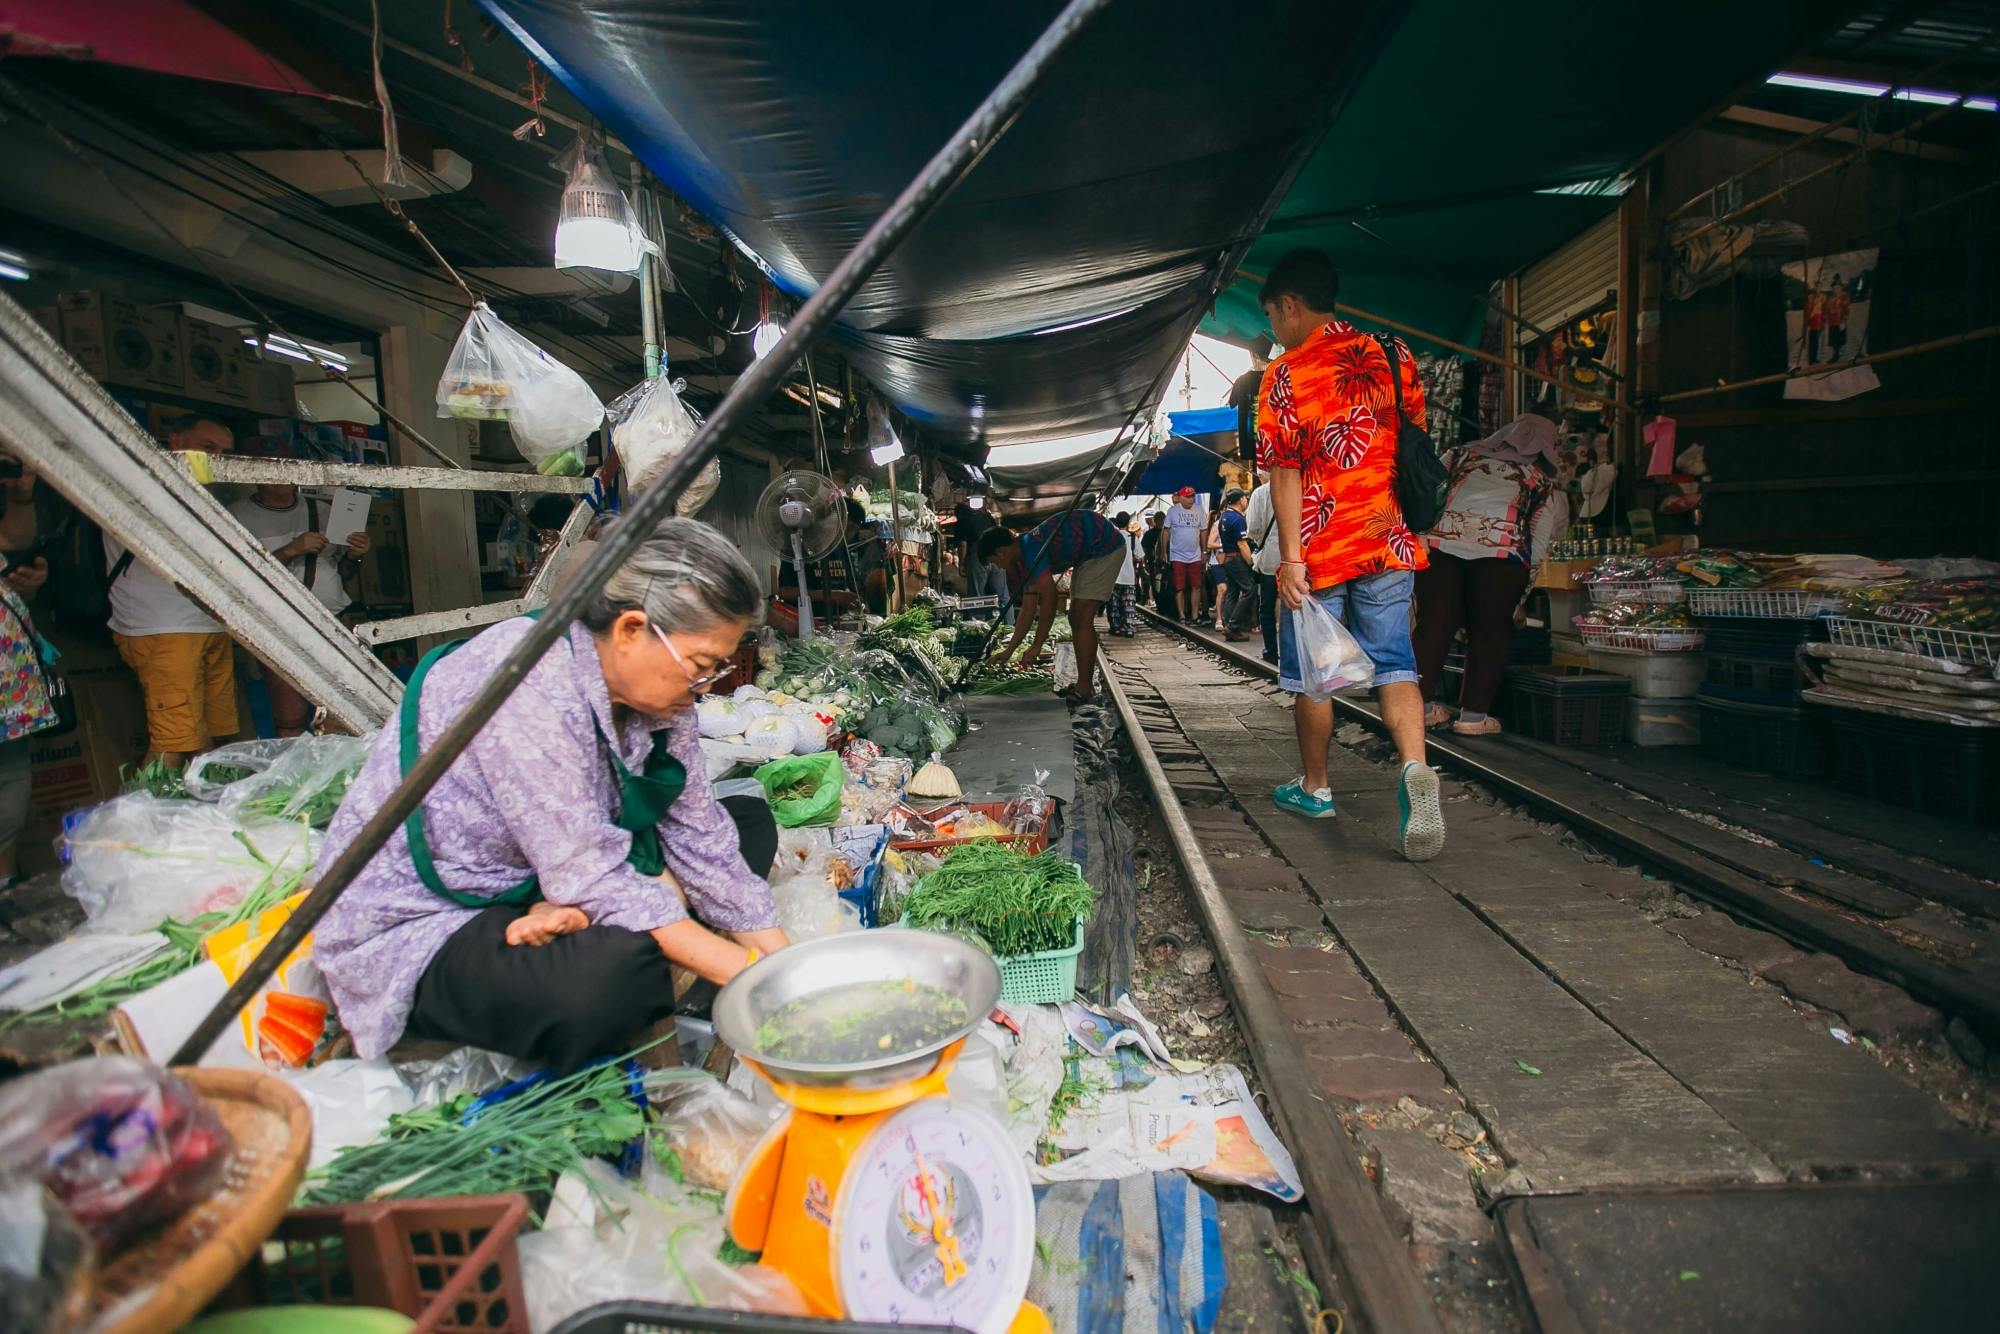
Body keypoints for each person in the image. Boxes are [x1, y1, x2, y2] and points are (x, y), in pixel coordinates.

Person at [314, 517, 790, 1072]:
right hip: (434, 916)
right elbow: (591, 872)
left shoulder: (663, 695)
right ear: (632, 630)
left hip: (545, 875)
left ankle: (591, 916)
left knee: (748, 821)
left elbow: (699, 832)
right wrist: (747, 976)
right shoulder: (526, 679)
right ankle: (598, 926)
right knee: (615, 976)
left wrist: (787, 977)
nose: (705, 686)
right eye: (703, 667)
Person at [1257, 247, 1443, 860]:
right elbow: (1411, 437)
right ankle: (1415, 767)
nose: (1274, 332)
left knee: (1317, 674)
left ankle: (1316, 787)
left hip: (1318, 546)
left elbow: (1284, 473)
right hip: (1388, 537)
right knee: (1397, 664)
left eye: (1273, 319)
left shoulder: (1284, 375)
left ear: (1290, 306)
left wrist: (1289, 559)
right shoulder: (1393, 355)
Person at [1414, 416, 1569, 736]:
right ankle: (1472, 719)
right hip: (1502, 560)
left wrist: (1423, 537)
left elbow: (1427, 490)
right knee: (1490, 632)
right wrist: (1521, 597)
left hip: (1442, 549)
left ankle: (1419, 709)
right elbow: (1539, 542)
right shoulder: (1543, 480)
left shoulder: (1458, 455)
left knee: (1433, 625)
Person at [108, 414, 241, 766]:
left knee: (213, 736)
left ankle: (198, 816)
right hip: (164, 625)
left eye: (224, 454)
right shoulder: (140, 482)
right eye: (207, 448)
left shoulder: (207, 495)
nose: (215, 460)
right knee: (174, 740)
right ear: (176, 441)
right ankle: (144, 819)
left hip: (208, 622)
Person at [228, 478, 373, 736]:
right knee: (289, 716)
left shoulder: (323, 512)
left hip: (333, 619)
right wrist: (291, 550)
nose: (283, 479)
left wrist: (356, 554)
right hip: (278, 624)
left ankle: (335, 769)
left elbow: (345, 572)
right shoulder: (238, 514)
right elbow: (237, 575)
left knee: (343, 710)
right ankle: (297, 770)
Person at [980, 509, 1125, 705]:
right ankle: (1085, 684)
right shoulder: (1022, 560)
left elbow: (1049, 598)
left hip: (1105, 546)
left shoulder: (1031, 548)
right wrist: (1008, 651)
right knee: (1076, 617)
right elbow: (1028, 609)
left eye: (994, 562)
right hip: (1087, 554)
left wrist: (1037, 645)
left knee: (1081, 616)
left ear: (1000, 551)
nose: (998, 567)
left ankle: (1084, 687)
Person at [0, 454, 57, 890]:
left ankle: (7, 887)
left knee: (10, 794)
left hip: (9, 690)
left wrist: (21, 497)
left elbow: (15, 543)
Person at [1242, 474, 1281, 663]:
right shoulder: (1303, 482)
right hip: (1300, 556)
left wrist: (1260, 541)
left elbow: (1253, 528)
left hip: (1271, 558)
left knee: (1266, 606)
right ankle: (1297, 654)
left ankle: (1271, 650)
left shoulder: (1261, 493)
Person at [1217, 488, 1256, 642]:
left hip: (1228, 558)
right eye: (1245, 498)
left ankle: (1229, 625)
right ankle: (1233, 626)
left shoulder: (1224, 517)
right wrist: (1252, 563)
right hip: (1237, 558)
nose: (1246, 500)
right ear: (1241, 500)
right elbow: (1242, 544)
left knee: (1232, 592)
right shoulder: (1237, 519)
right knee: (1249, 590)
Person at [1162, 486, 1206, 623]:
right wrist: (1164, 551)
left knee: (1196, 585)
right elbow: (1166, 531)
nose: (1190, 499)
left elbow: (1204, 531)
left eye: (1192, 496)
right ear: (1180, 497)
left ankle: (1194, 615)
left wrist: (1204, 551)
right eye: (1187, 497)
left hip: (1195, 554)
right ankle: (1181, 614)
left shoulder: (1199, 510)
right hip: (1177, 555)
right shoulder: (1172, 511)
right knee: (1179, 587)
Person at [1107, 510, 1140, 637]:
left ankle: (1115, 627)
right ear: (1128, 523)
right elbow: (1140, 555)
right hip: (1128, 576)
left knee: (1113, 604)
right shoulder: (1133, 539)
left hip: (1113, 577)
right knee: (1128, 604)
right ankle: (1129, 628)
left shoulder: (1111, 538)